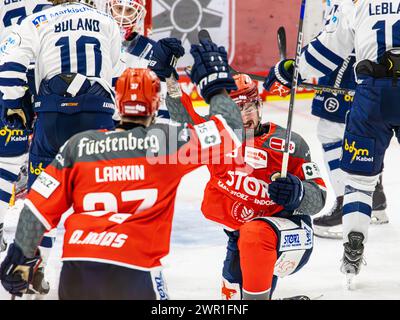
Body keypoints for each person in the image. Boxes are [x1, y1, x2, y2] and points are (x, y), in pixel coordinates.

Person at [0, 34, 244, 299]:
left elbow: (36, 208)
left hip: (77, 269)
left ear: (117, 103)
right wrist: (215, 87)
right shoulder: (166, 141)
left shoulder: (80, 146)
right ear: (154, 105)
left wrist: (18, 258)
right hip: (135, 270)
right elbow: (232, 132)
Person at [264, 0, 399, 287]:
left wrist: (291, 69)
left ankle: (354, 246)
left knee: (359, 182)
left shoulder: (358, 4)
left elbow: (325, 52)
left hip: (371, 95)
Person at [166, 73, 327, 300]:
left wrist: (296, 192)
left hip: (290, 236)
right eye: (235, 110)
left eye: (249, 107)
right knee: (234, 299)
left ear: (259, 106)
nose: (243, 117)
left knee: (254, 234)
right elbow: (184, 117)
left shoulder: (290, 144)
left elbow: (319, 198)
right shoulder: (217, 139)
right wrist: (171, 82)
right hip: (242, 238)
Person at [309, 0, 388, 239]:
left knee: (331, 130)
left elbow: (338, 32)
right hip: (370, 55)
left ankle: (347, 201)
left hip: (348, 57)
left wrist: (303, 66)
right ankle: (374, 197)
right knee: (366, 131)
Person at [0, 0, 51, 253]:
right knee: (47, 167)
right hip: (45, 80)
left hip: (8, 75)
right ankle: (38, 246)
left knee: (6, 162)